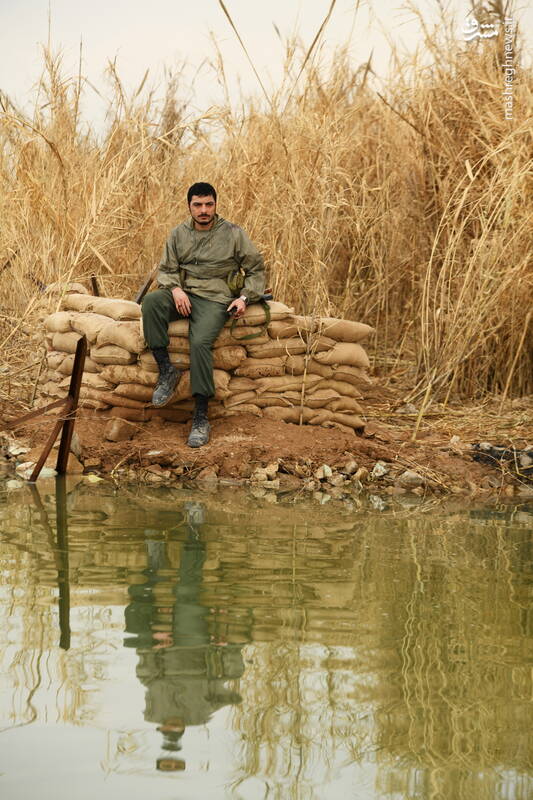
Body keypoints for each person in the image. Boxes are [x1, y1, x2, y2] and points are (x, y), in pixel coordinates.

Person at [141, 182, 265, 447]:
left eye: (209, 204)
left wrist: (244, 298)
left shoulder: (233, 233)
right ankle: (166, 371)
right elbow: (166, 269)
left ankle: (201, 415)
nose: (204, 210)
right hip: (184, 295)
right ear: (189, 206)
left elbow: (256, 269)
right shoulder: (178, 234)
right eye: (197, 205)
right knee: (151, 303)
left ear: (216, 205)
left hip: (216, 298)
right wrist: (175, 289)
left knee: (199, 343)